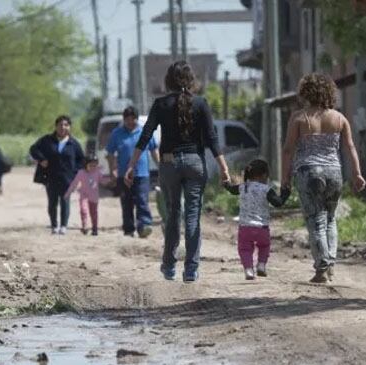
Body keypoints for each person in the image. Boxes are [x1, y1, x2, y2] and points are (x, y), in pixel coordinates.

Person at [125, 61, 231, 282]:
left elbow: (145, 136)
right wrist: (224, 168)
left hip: (169, 163)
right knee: (193, 216)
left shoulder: (161, 104)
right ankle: (191, 270)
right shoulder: (201, 104)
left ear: (168, 81)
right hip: (195, 163)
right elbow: (212, 139)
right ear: (191, 80)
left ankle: (169, 266)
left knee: (173, 214)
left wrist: (131, 166)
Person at [281, 73, 366, 283]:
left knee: (316, 220)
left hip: (308, 172)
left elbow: (288, 150)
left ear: (305, 93)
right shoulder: (339, 118)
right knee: (330, 218)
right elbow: (350, 148)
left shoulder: (299, 118)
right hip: (334, 173)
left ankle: (321, 269)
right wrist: (357, 173)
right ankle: (331, 265)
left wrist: (285, 179)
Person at [223, 159, 290, 280]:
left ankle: (248, 270)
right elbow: (278, 203)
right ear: (264, 175)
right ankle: (261, 265)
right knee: (264, 246)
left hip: (245, 228)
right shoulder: (266, 189)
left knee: (244, 249)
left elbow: (232, 190)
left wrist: (226, 184)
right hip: (262, 228)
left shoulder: (243, 187)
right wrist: (286, 193)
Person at [106, 106, 159, 238]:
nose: (130, 122)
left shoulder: (144, 132)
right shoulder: (116, 134)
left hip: (142, 174)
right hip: (123, 174)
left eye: (133, 119)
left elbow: (154, 150)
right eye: (127, 119)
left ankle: (144, 226)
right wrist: (112, 170)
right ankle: (129, 229)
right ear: (124, 120)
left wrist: (161, 166)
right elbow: (110, 153)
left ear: (137, 118)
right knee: (127, 201)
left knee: (142, 200)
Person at [30, 115, 85, 235]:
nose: (63, 127)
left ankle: (64, 226)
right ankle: (54, 225)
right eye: (60, 125)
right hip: (51, 176)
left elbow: (81, 160)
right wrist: (41, 159)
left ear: (69, 127)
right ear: (56, 126)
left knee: (65, 201)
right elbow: (33, 149)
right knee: (52, 203)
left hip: (68, 178)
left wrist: (75, 173)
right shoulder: (47, 140)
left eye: (66, 125)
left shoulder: (74, 144)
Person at [64, 157, 103, 236]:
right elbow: (74, 183)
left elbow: (103, 181)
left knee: (94, 213)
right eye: (90, 165)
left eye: (94, 166)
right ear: (86, 165)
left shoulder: (98, 172)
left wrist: (113, 181)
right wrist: (68, 193)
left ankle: (94, 228)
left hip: (94, 197)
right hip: (84, 196)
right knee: (83, 210)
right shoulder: (81, 173)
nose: (93, 168)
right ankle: (84, 226)